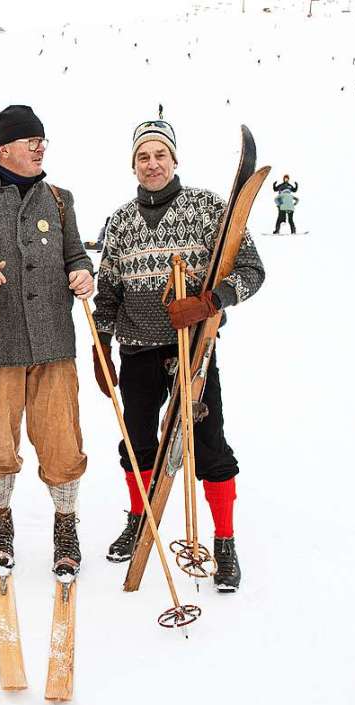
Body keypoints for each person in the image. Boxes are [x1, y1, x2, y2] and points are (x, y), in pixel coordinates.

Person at [91, 119, 266, 593]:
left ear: (174, 160)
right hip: (138, 352)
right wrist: (100, 347)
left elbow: (252, 269)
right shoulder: (122, 222)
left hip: (194, 350)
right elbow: (106, 294)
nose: (152, 164)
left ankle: (224, 541)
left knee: (209, 442)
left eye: (160, 155)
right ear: (133, 164)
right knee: (138, 441)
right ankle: (139, 518)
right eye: (143, 157)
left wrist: (212, 301)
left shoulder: (207, 208)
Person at [0, 105, 94, 580]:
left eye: (42, 140)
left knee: (63, 444)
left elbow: (76, 252)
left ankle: (65, 526)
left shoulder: (60, 199)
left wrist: (82, 270)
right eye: (31, 141)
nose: (40, 147)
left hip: (54, 345)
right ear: (4, 148)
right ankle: (0, 522)